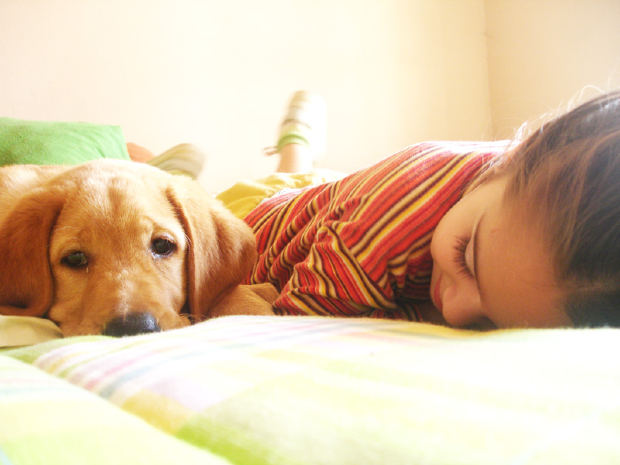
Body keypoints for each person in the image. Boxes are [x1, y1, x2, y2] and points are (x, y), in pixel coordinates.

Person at [219, 90, 620, 329]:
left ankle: (298, 145)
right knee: (281, 180)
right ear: (515, 156)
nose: (456, 311)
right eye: (465, 257)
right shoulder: (382, 226)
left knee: (310, 181)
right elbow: (291, 325)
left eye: (491, 321)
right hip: (259, 215)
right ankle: (293, 141)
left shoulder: (508, 217)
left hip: (330, 202)